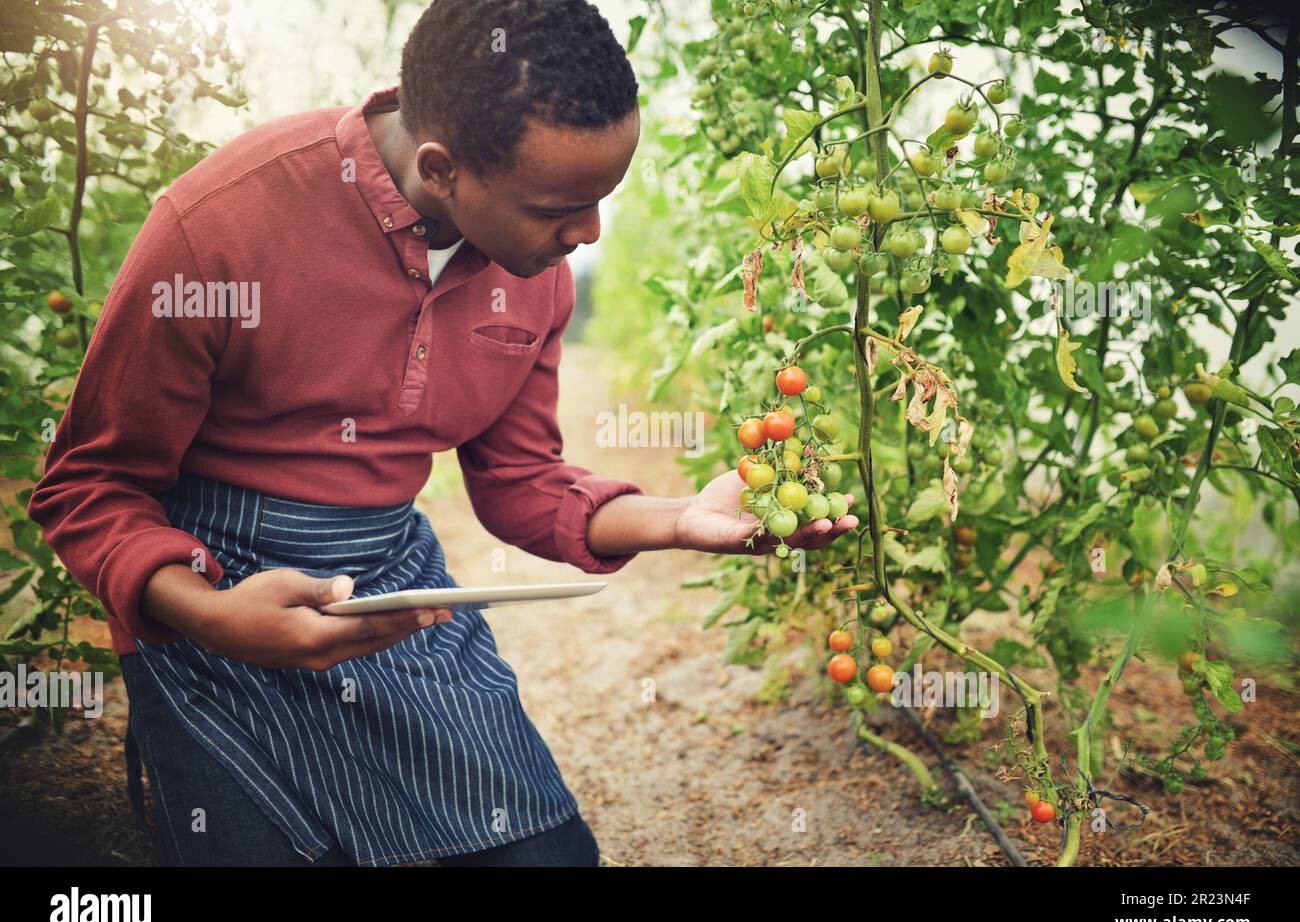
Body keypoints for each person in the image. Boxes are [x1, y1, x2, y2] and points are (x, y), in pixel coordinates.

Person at [26, 0, 859, 867]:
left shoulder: (535, 273)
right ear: (443, 168)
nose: (587, 235)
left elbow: (520, 479)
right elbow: (90, 485)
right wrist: (211, 614)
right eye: (561, 207)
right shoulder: (221, 226)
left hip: (393, 589)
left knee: (546, 858)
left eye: (602, 201)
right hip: (215, 601)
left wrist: (684, 518)